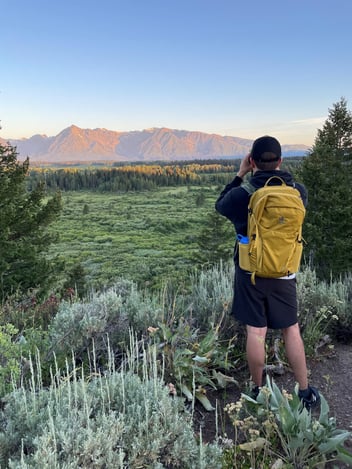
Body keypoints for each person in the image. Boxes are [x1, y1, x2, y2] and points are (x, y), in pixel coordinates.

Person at [215, 135, 320, 409]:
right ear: (280, 161)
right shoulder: (298, 191)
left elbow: (220, 205)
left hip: (251, 272)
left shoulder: (244, 193)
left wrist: (239, 175)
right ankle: (306, 392)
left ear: (252, 162)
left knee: (256, 332)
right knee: (291, 329)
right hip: (285, 270)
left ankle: (258, 390)